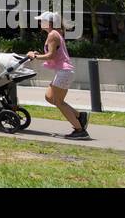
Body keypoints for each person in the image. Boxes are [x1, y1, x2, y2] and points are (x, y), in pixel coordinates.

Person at [27, 11, 89, 139]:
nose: (39, 22)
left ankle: (79, 130)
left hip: (64, 72)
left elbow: (51, 55)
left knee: (59, 102)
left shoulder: (53, 35)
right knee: (49, 97)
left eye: (41, 20)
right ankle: (79, 116)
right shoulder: (55, 33)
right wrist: (38, 54)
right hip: (63, 72)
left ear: (48, 22)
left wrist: (35, 56)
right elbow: (53, 53)